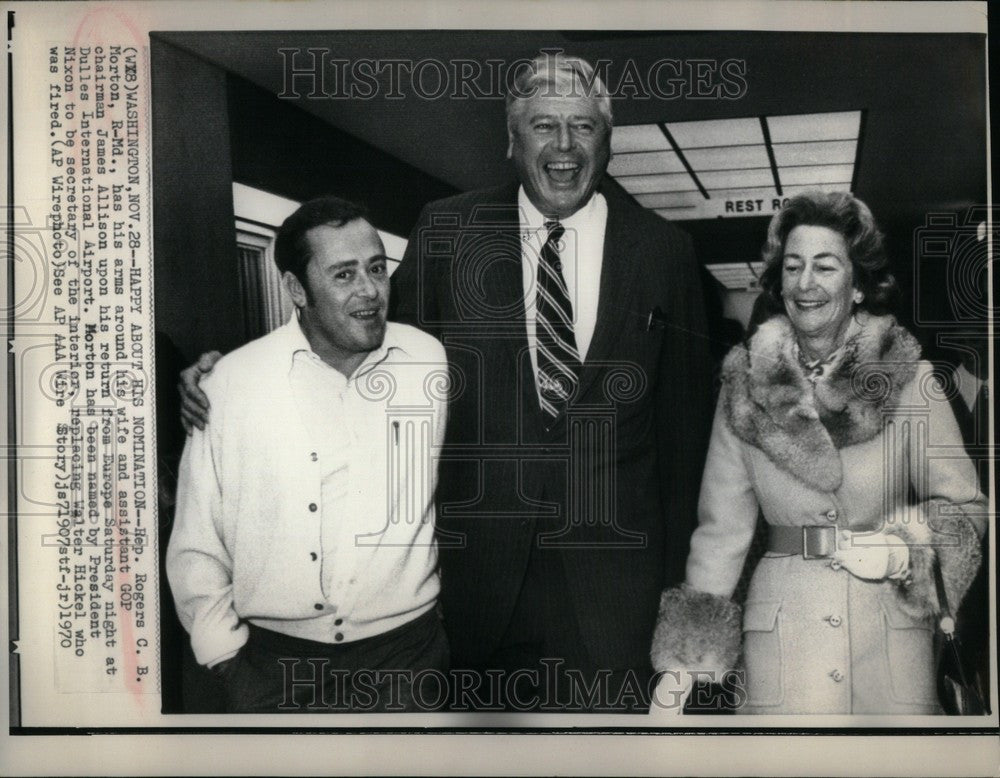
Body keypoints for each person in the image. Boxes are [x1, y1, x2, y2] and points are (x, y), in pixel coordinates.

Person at [181, 52, 713, 712]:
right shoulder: (448, 232)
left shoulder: (663, 251)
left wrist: (680, 619)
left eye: (584, 126)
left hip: (616, 603)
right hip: (474, 599)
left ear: (609, 139)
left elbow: (688, 447)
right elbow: (361, 357)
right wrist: (229, 377)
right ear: (511, 138)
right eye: (545, 125)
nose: (565, 147)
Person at [649, 191, 987, 715]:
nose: (806, 283)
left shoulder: (911, 380)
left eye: (825, 266)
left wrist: (906, 551)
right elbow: (722, 533)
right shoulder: (745, 384)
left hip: (889, 640)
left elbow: (967, 510)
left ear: (857, 286)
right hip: (783, 641)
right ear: (778, 283)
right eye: (793, 266)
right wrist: (681, 671)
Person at [167, 196, 450, 713]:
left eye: (377, 269)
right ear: (296, 288)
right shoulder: (231, 384)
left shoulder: (430, 361)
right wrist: (224, 659)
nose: (369, 291)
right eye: (343, 275)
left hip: (407, 663)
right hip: (273, 673)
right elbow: (195, 543)